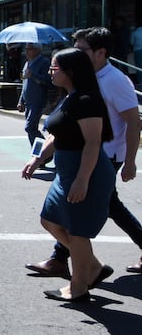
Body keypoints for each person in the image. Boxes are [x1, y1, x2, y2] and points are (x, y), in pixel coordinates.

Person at [26, 27, 142, 277]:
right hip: (80, 156)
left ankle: (69, 264)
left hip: (105, 157)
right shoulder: (79, 80)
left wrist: (130, 161)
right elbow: (58, 127)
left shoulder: (114, 81)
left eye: (81, 50)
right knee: (100, 206)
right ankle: (68, 262)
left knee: (79, 208)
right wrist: (38, 157)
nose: (74, 54)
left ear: (101, 53)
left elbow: (133, 122)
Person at [21, 48, 116, 301]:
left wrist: (82, 180)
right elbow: (54, 134)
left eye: (54, 68)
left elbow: (93, 143)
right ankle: (93, 267)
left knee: (77, 231)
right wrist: (38, 158)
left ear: (70, 71)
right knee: (49, 220)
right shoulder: (69, 97)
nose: (50, 72)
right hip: (65, 171)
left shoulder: (87, 100)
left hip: (86, 171)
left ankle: (78, 287)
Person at [17, 43, 51, 146]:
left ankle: (45, 150)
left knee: (29, 127)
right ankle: (37, 155)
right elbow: (25, 84)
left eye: (30, 49)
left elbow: (48, 81)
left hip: (38, 100)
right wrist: (21, 101)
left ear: (37, 50)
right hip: (28, 101)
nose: (27, 51)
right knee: (31, 129)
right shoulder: (27, 63)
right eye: (26, 49)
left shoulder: (44, 62)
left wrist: (33, 75)